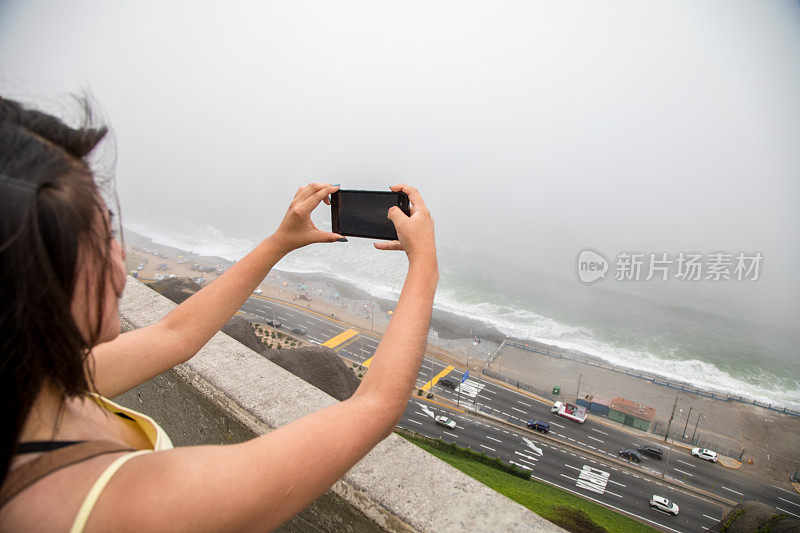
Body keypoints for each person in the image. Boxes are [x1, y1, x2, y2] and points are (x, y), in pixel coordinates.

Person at [0, 97, 438, 531]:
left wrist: (280, 241)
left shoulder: (37, 377)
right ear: (31, 282)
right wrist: (425, 267)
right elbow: (374, 407)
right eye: (98, 236)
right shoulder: (125, 506)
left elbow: (175, 334)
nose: (119, 253)